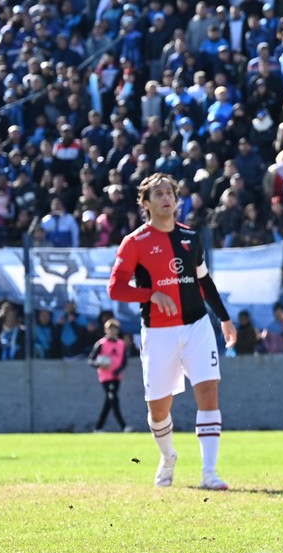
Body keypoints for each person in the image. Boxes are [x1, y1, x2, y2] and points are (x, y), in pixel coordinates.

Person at [106, 174, 237, 490]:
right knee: (158, 409)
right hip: (159, 332)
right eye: (158, 193)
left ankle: (209, 472)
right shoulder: (134, 242)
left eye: (170, 192)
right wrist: (150, 294)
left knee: (208, 391)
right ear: (146, 203)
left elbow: (204, 281)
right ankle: (167, 457)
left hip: (197, 326)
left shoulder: (191, 236)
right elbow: (115, 288)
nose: (166, 197)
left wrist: (224, 318)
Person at [88, 318, 129, 432]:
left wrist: (118, 370)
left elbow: (124, 361)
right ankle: (124, 426)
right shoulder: (101, 344)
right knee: (113, 399)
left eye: (114, 329)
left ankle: (98, 427)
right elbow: (91, 360)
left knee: (110, 400)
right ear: (106, 330)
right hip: (106, 377)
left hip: (117, 377)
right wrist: (99, 364)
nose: (112, 331)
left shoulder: (121, 344)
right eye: (110, 329)